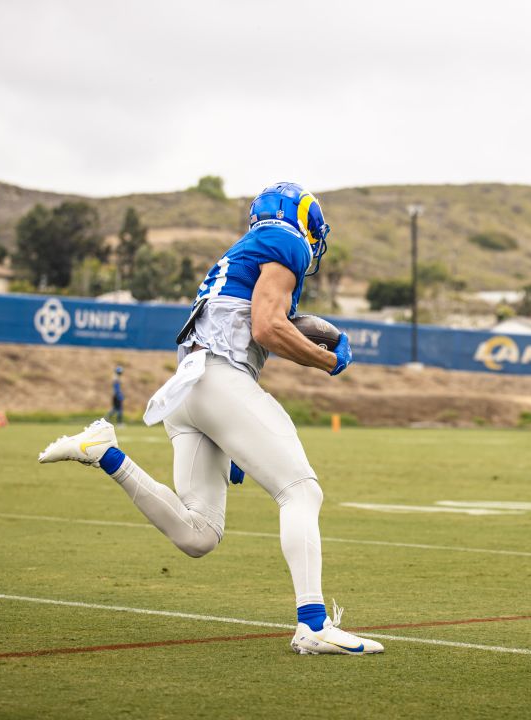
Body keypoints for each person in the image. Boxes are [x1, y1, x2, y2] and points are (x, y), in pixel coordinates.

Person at [38, 182, 380, 655]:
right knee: (301, 491)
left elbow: (248, 326)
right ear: (305, 220)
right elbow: (267, 327)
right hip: (218, 380)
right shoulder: (287, 243)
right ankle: (313, 625)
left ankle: (106, 453)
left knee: (199, 534)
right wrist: (330, 361)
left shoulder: (241, 253)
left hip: (188, 387)